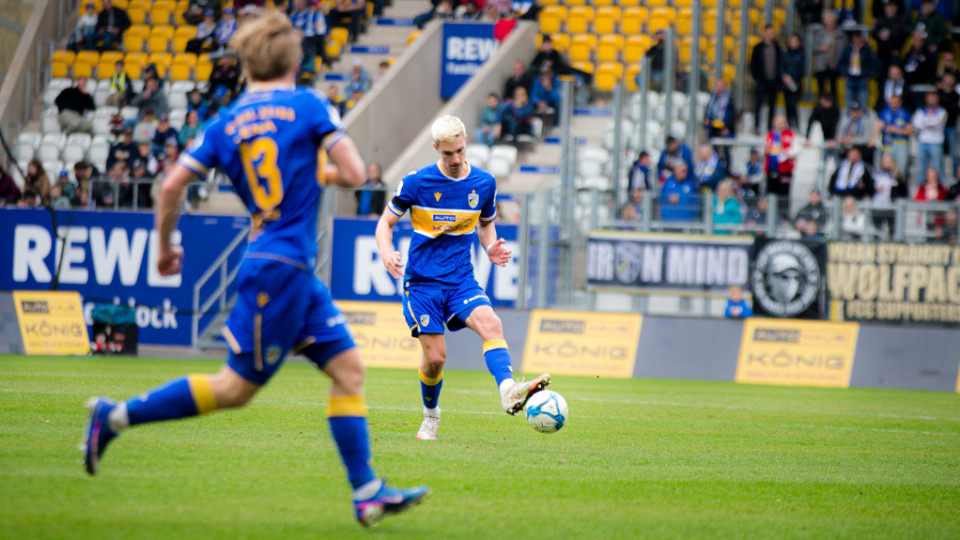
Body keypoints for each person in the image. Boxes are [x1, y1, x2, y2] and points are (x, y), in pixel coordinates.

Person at [81, 13, 429, 527]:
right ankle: (112, 416)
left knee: (349, 370)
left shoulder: (224, 122)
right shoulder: (309, 105)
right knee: (234, 390)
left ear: (246, 63)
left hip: (285, 266)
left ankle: (368, 492)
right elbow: (356, 175)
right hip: (280, 266)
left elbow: (172, 185)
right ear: (295, 59)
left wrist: (163, 247)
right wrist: (317, 170)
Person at [374, 114, 552, 441]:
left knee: (492, 324)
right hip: (423, 285)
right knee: (436, 358)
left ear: (466, 141)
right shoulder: (416, 182)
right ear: (435, 149)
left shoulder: (484, 183)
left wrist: (489, 248)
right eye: (447, 154)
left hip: (460, 279)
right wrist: (386, 251)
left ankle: (508, 390)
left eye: (459, 150)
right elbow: (384, 223)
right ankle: (431, 416)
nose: (455, 159)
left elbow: (485, 223)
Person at [872, 2, 910, 101]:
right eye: (888, 7)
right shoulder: (881, 20)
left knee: (896, 77)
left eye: (892, 6)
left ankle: (897, 100)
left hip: (893, 54)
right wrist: (879, 34)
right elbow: (873, 33)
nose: (890, 9)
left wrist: (896, 46)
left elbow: (904, 36)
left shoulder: (900, 20)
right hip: (882, 54)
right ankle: (881, 100)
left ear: (896, 8)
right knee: (880, 79)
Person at [749, 25, 782, 133]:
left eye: (772, 33)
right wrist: (757, 77)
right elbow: (753, 64)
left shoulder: (777, 48)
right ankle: (757, 126)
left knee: (772, 106)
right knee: (758, 105)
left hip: (773, 81)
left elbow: (780, 64)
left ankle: (770, 127)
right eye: (768, 32)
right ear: (764, 33)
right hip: (762, 81)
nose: (770, 35)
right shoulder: (758, 48)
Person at [871, 94, 913, 174]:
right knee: (885, 167)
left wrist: (895, 130)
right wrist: (873, 140)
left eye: (895, 103)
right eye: (892, 103)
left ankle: (899, 184)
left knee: (900, 169)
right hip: (888, 144)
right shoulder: (884, 113)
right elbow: (878, 127)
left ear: (900, 103)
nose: (893, 105)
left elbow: (909, 131)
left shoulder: (905, 113)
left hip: (901, 143)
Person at [763, 114, 801, 200]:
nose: (781, 125)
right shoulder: (770, 135)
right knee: (771, 194)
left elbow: (797, 150)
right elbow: (763, 149)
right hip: (771, 169)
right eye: (779, 122)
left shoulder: (791, 135)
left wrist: (787, 152)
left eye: (782, 122)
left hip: (785, 170)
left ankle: (783, 213)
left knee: (783, 196)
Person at [871, 153, 909, 234]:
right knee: (877, 229)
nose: (887, 163)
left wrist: (895, 187)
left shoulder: (898, 176)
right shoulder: (876, 175)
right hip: (878, 205)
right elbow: (868, 189)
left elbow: (904, 192)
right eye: (885, 161)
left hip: (891, 206)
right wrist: (875, 189)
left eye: (889, 161)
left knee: (892, 229)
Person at [912, 91, 947, 180]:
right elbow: (916, 125)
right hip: (923, 142)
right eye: (929, 97)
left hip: (936, 142)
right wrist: (929, 123)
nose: (931, 99)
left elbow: (937, 124)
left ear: (937, 98)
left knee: (937, 168)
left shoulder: (942, 111)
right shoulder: (920, 111)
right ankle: (921, 191)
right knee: (921, 169)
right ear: (926, 99)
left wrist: (925, 123)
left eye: (933, 97)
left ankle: (940, 191)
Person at [812, 11, 846, 98]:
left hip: (834, 64)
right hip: (821, 64)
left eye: (832, 21)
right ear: (824, 21)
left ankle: (834, 107)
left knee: (833, 88)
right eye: (828, 21)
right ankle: (820, 105)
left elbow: (843, 49)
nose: (830, 23)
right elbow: (813, 47)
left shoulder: (840, 34)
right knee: (820, 89)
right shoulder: (818, 33)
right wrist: (820, 48)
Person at [838, 31, 875, 110]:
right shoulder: (848, 49)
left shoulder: (867, 49)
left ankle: (863, 117)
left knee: (863, 98)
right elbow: (842, 62)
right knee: (848, 98)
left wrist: (868, 75)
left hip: (862, 78)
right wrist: (843, 73)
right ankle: (849, 116)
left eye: (858, 38)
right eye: (854, 39)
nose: (856, 41)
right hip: (850, 77)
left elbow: (872, 63)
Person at [703, 78, 735, 164]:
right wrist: (707, 126)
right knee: (714, 150)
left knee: (725, 150)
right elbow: (708, 113)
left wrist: (727, 127)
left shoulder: (728, 99)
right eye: (717, 86)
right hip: (713, 128)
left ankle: (726, 168)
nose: (718, 88)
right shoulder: (712, 98)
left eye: (720, 86)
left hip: (723, 129)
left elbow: (730, 114)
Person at [780, 33, 805, 130]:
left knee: (793, 104)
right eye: (791, 41)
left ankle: (796, 125)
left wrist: (792, 77)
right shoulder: (785, 55)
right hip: (786, 84)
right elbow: (781, 67)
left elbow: (802, 69)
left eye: (795, 41)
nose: (793, 43)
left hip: (796, 83)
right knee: (787, 105)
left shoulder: (801, 55)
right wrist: (784, 76)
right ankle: (789, 125)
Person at [937, 73, 959, 172]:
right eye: (946, 79)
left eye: (950, 79)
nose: (948, 81)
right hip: (938, 129)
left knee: (954, 153)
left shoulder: (956, 95)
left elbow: (953, 110)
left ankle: (956, 176)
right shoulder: (938, 94)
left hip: (951, 127)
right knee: (939, 153)